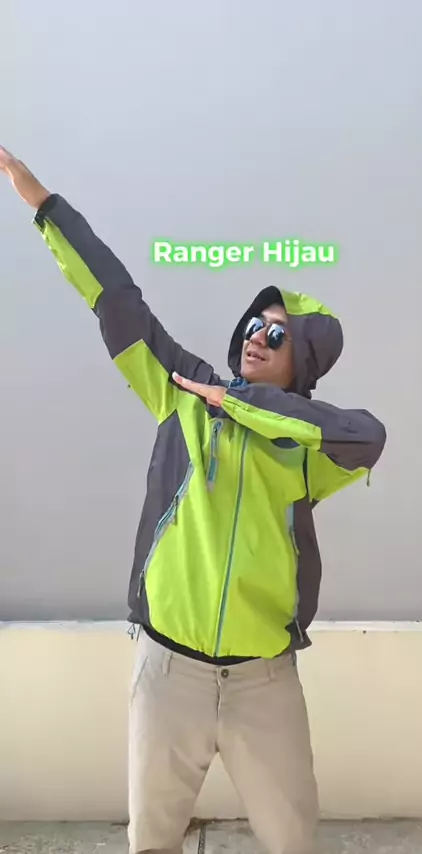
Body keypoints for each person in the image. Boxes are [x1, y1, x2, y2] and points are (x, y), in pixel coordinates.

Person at [0, 145, 387, 854]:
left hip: (264, 685)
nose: (256, 336)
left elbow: (367, 436)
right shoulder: (184, 393)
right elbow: (117, 298)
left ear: (303, 360)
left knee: (293, 841)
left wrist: (241, 404)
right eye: (254, 325)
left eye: (277, 333)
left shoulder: (307, 445)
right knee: (152, 842)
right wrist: (44, 205)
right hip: (167, 672)